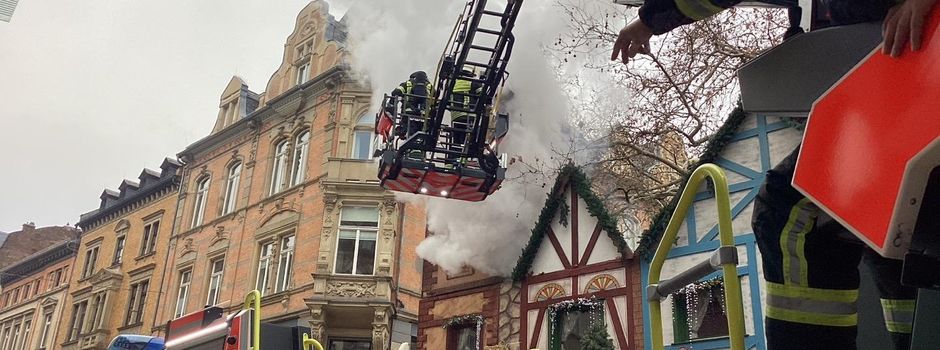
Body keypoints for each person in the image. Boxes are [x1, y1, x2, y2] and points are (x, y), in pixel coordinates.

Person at [609, 0, 938, 348]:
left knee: (791, 215)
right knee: (877, 224)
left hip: (913, 78)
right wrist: (648, 21)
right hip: (898, 81)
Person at [448, 69, 484, 165]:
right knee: (468, 139)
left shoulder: (452, 83)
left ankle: (453, 161)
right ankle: (466, 159)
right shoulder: (473, 82)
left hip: (456, 117)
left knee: (456, 140)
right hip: (469, 115)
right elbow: (482, 96)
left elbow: (447, 102)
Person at [391, 71, 434, 138]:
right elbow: (436, 96)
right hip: (425, 116)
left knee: (409, 134)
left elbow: (396, 92)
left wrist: (391, 104)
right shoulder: (429, 86)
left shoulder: (407, 84)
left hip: (408, 114)